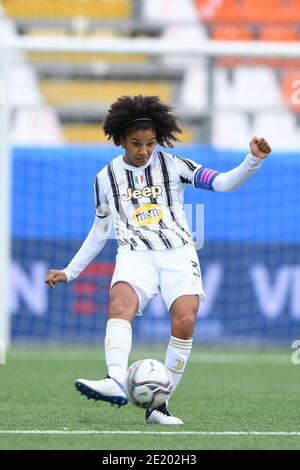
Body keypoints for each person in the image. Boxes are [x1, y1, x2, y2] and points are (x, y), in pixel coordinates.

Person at [45, 95, 271, 425]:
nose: (144, 150)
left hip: (178, 253)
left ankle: (159, 407)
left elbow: (222, 184)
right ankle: (115, 380)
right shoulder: (105, 178)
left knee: (185, 320)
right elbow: (100, 229)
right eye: (136, 143)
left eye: (150, 143)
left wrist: (252, 160)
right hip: (134, 255)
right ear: (120, 139)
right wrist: (70, 271)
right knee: (119, 304)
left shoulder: (173, 165)